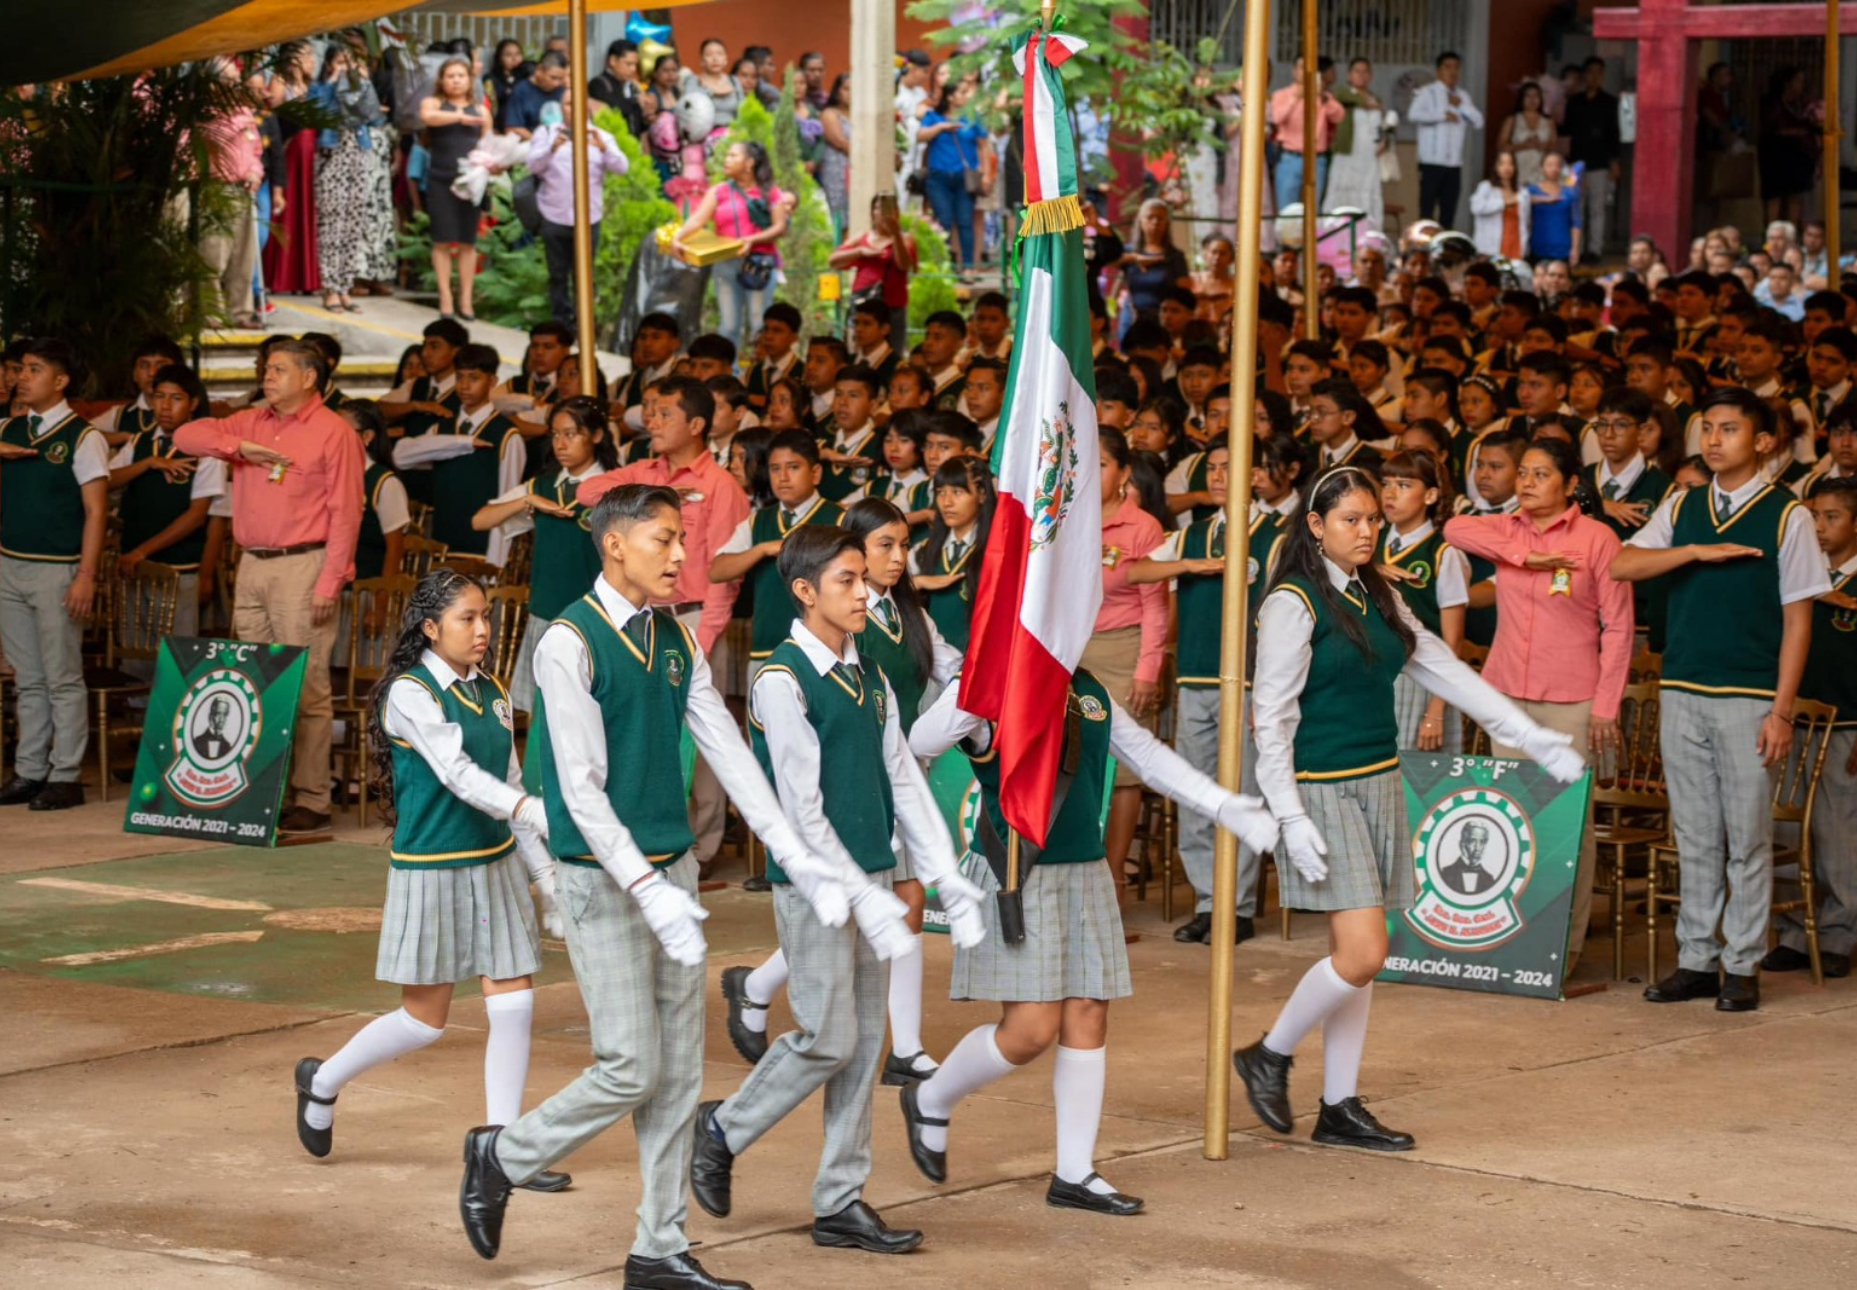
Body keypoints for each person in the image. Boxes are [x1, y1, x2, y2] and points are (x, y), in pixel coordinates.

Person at [455, 487, 849, 1290]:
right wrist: (647, 884)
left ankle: (659, 1247)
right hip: (603, 876)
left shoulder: (672, 634)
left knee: (677, 1072)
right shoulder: (569, 643)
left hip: (670, 868)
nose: (680, 557)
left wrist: (789, 845)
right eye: (665, 540)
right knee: (632, 1065)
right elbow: (582, 787)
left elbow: (724, 744)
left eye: (683, 540)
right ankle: (503, 1153)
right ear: (614, 546)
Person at [1232, 466, 1583, 1151]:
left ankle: (1338, 1104)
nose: (1364, 532)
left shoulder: (1378, 591)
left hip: (1379, 778)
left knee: (1352, 958)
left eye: (1371, 520)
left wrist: (1530, 736)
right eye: (1348, 521)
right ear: (1315, 525)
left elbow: (1441, 667)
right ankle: (1268, 1054)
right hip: (1319, 785)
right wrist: (1288, 814)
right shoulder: (1292, 603)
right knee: (1365, 953)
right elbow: (1268, 718)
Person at [690, 524, 982, 1255]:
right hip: (819, 881)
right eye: (847, 580)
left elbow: (902, 778)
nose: (864, 591)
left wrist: (921, 871)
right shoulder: (782, 679)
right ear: (804, 591)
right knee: (827, 1035)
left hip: (874, 873)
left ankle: (840, 1198)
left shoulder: (867, 673)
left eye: (866, 579)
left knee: (861, 1044)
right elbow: (800, 805)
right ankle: (723, 1127)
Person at [901, 657, 1278, 1212]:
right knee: (1029, 1030)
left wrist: (1222, 804)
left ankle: (1075, 1172)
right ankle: (931, 1095)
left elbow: (1145, 756)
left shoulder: (1090, 685)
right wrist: (982, 685)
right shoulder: (988, 680)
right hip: (1019, 870)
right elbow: (922, 738)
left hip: (1084, 868)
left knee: (1089, 1011)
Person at [293, 569, 566, 1188]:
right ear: (430, 627)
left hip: (494, 862)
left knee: (516, 1004)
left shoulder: (492, 690)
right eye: (468, 618)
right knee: (423, 1021)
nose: (483, 630)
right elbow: (459, 774)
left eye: (487, 617)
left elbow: (512, 782)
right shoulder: (412, 695)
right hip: (432, 868)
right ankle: (323, 1079)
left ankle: (504, 1153)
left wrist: (544, 874)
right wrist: (531, 813)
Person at [1610, 388, 1832, 1012]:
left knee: (1748, 836)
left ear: (1762, 442)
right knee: (1697, 834)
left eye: (1728, 430)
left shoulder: (1789, 515)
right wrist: (1694, 550)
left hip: (1750, 695)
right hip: (1682, 686)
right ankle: (1696, 959)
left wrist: (1783, 710)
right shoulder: (1683, 504)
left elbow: (1799, 622)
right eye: (1706, 428)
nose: (1712, 440)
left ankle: (1742, 964)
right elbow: (1624, 564)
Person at [1445, 438, 1632, 969]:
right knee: (1511, 820)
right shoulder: (1507, 528)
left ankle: (1561, 950)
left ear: (1571, 484)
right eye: (1522, 473)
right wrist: (1527, 555)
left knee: (1565, 823)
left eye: (1540, 474)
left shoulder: (1599, 539)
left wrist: (1607, 706)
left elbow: (1618, 629)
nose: (1526, 483)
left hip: (1573, 698)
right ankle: (1513, 940)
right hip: (1506, 693)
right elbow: (1453, 529)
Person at [174, 339, 364, 833]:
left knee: (306, 685)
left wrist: (331, 580)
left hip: (305, 564)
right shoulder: (251, 422)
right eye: (267, 368)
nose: (268, 376)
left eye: (279, 369)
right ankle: (262, 791)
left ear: (309, 378)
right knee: (253, 684)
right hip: (252, 564)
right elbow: (188, 435)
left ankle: (313, 796)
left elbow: (347, 513)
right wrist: (239, 448)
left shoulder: (334, 432)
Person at [1127, 438, 1298, 943]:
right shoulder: (1192, 535)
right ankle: (1208, 901)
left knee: (1242, 794)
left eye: (1231, 467)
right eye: (1214, 468)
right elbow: (1133, 569)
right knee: (1196, 795)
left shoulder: (1278, 535)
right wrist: (1188, 566)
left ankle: (1238, 907)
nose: (1219, 475)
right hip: (1196, 678)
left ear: (1257, 475)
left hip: (1250, 683)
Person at [0, 339, 109, 812]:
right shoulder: (10, 427)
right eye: (20, 369)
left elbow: (96, 511)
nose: (22, 377)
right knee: (28, 676)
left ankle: (65, 773)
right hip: (9, 564)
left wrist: (86, 574)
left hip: (56, 569)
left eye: (35, 369)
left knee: (62, 675)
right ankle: (29, 769)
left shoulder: (83, 438)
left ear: (61, 381)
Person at [1765, 477, 1857, 979]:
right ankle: (1795, 933)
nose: (1819, 527)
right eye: (1814, 516)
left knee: (1838, 835)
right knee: (1783, 827)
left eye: (1832, 517)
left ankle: (1840, 934)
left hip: (1847, 725)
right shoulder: (1798, 573)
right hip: (1793, 720)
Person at [108, 364, 226, 639]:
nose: (165, 406)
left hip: (177, 568)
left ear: (193, 403)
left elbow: (197, 516)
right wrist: (148, 464)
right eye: (159, 397)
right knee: (133, 657)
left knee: (174, 660)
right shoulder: (139, 442)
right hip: (132, 567)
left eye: (175, 398)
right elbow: (104, 481)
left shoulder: (207, 450)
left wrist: (142, 552)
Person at [392, 343, 525, 561]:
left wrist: (496, 562)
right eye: (459, 377)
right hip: (442, 543)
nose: (464, 386)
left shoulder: (506, 435)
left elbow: (506, 502)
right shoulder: (442, 428)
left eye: (474, 378)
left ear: (492, 381)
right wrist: (463, 442)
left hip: (482, 551)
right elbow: (401, 456)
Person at [1377, 450, 1471, 753]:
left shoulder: (1444, 554)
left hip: (1422, 681)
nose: (1391, 493)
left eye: (1404, 485)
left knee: (1414, 789)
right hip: (1372, 675)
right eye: (1386, 483)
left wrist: (1436, 711)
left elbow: (1453, 642)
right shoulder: (1368, 545)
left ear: (1430, 495)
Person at [674, 142, 793, 353]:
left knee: (759, 324)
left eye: (732, 155)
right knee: (729, 326)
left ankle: (762, 374)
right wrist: (678, 237)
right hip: (726, 264)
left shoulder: (770, 193)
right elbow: (698, 220)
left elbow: (780, 227)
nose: (726, 160)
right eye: (727, 155)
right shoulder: (719, 191)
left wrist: (751, 240)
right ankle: (730, 373)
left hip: (759, 265)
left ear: (749, 163)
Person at [527, 84, 628, 330]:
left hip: (588, 219)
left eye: (578, 103)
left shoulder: (601, 136)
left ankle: (584, 324)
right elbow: (532, 166)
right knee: (558, 275)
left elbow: (622, 167)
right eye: (568, 104)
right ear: (561, 108)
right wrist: (552, 149)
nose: (573, 109)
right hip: (554, 216)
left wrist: (603, 148)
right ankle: (561, 325)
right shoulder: (547, 132)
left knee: (583, 276)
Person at [312, 43, 384, 315]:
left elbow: (374, 117)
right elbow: (317, 112)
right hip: (333, 154)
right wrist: (333, 83)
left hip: (358, 152)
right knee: (332, 224)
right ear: (330, 64)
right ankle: (329, 287)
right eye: (342, 62)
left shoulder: (359, 87)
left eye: (351, 63)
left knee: (354, 222)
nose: (346, 69)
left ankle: (345, 287)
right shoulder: (322, 88)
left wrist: (361, 82)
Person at [420, 57, 491, 322]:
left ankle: (465, 299)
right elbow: (428, 117)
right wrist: (460, 117)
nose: (456, 80)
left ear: (470, 80)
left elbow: (489, 143)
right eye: (450, 75)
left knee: (467, 242)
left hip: (471, 182)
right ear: (442, 80)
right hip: (440, 178)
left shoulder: (480, 110)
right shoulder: (434, 103)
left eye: (461, 75)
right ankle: (445, 298)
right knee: (441, 241)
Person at [199, 58, 264, 329]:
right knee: (213, 254)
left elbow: (256, 152)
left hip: (243, 190)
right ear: (214, 85)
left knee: (245, 254)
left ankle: (241, 310)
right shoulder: (204, 115)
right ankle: (211, 311)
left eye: (237, 81)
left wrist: (255, 173)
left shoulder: (244, 113)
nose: (236, 86)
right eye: (230, 81)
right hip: (216, 188)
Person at [919, 78, 987, 279]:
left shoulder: (973, 118)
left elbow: (983, 145)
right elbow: (920, 135)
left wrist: (985, 173)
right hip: (938, 177)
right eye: (962, 93)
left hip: (964, 178)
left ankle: (968, 267)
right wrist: (942, 127)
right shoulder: (933, 117)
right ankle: (946, 266)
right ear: (950, 97)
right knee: (944, 221)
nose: (966, 97)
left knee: (966, 222)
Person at [1408, 50, 1484, 229]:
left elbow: (1479, 122)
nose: (1452, 72)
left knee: (1448, 210)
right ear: (1438, 71)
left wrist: (1462, 106)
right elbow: (1413, 115)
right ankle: (1423, 247)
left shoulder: (1463, 97)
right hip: (1430, 162)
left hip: (1453, 164)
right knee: (1426, 210)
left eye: (1456, 68)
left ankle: (1444, 249)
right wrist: (1442, 114)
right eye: (1447, 67)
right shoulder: (1427, 93)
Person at [829, 194, 917, 345]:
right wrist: (860, 252)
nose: (882, 212)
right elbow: (833, 261)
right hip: (863, 301)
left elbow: (904, 265)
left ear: (896, 212)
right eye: (878, 208)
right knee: (857, 348)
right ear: (872, 214)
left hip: (892, 306)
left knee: (891, 350)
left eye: (887, 208)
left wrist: (895, 234)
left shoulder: (906, 239)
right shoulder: (862, 238)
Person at [1561, 58, 1620, 264]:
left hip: (1600, 161)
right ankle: (1578, 248)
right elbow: (1565, 131)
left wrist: (1614, 161)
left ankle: (1594, 249)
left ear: (1602, 75)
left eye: (1598, 72)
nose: (1593, 76)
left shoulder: (1610, 102)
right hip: (1575, 162)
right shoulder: (1574, 102)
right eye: (1590, 72)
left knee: (1597, 207)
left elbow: (1614, 134)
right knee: (1577, 206)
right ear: (1584, 75)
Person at [1269, 57, 1345, 213]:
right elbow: (1277, 118)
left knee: (1313, 210)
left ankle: (1311, 238)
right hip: (1290, 158)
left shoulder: (1323, 96)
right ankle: (1286, 239)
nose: (1305, 71)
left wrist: (1322, 96)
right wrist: (1295, 98)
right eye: (1301, 67)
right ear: (1294, 71)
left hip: (1316, 159)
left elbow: (1339, 116)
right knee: (1287, 211)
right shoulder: (1282, 95)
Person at [1325, 58, 1387, 231]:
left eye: (1366, 71)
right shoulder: (1342, 94)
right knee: (1342, 193)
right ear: (1348, 75)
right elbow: (1340, 98)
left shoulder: (1376, 98)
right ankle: (1335, 233)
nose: (1362, 76)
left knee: (1368, 192)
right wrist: (1366, 104)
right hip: (1348, 155)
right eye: (1357, 71)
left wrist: (1385, 142)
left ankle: (1367, 233)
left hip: (1369, 157)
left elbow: (1382, 126)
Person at [1471, 151, 1531, 261]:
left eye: (1510, 164)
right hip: (1490, 248)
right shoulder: (1486, 187)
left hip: (1516, 245)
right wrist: (1503, 203)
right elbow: (1476, 207)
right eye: (1502, 164)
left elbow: (1527, 221)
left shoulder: (1522, 192)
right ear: (1495, 167)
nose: (1507, 168)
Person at [1526, 153, 1582, 266]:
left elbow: (1576, 223)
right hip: (1537, 247)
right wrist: (1543, 200)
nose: (1554, 169)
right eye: (1549, 165)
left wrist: (1575, 249)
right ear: (1542, 168)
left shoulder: (1570, 193)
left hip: (1563, 248)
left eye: (1557, 165)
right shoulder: (1531, 191)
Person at [587, 38, 648, 139]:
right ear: (613, 61)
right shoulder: (598, 84)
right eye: (628, 64)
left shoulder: (633, 87)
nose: (633, 69)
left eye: (635, 65)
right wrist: (636, 101)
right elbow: (614, 109)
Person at [681, 38, 746, 132]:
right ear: (702, 60)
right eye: (709, 55)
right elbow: (689, 111)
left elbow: (742, 111)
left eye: (719, 54)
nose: (715, 59)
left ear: (725, 59)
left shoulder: (734, 81)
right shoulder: (693, 81)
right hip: (704, 134)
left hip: (733, 132)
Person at [1497, 81, 1554, 188]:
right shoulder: (1513, 119)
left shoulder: (1548, 121)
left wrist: (1540, 146)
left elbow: (1553, 146)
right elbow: (1501, 145)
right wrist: (1524, 146)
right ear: (1521, 99)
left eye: (1536, 96)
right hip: (1518, 170)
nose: (1532, 100)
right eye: (1528, 96)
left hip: (1541, 170)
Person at [504, 50, 568, 139]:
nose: (556, 83)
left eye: (560, 79)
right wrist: (539, 142)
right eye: (553, 78)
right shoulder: (521, 91)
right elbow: (512, 128)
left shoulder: (564, 91)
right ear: (539, 69)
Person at [817, 74, 852, 233]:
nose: (851, 93)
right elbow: (838, 140)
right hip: (837, 169)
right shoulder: (830, 113)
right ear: (838, 91)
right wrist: (867, 156)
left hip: (859, 171)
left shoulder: (864, 115)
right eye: (846, 89)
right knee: (839, 213)